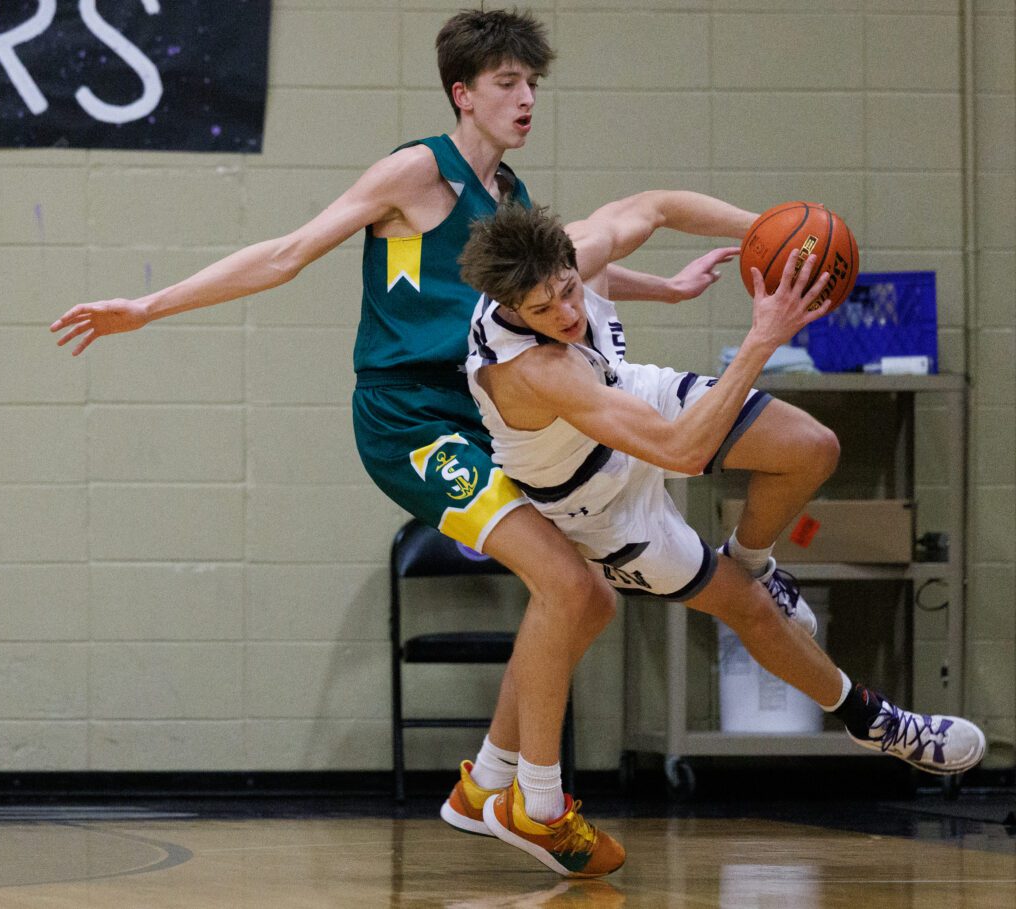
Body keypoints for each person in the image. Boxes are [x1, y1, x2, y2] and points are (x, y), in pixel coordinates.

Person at [48, 8, 756, 876]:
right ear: (463, 94)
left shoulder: (511, 201)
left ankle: (480, 787)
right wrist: (150, 306)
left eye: (532, 83)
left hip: (480, 416)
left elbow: (561, 276)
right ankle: (535, 802)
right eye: (506, 84)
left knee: (587, 600)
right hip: (408, 422)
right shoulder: (418, 171)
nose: (526, 98)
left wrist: (665, 291)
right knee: (565, 582)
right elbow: (289, 251)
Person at [458, 198, 986, 878]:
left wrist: (764, 232)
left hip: (630, 403)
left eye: (568, 291)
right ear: (510, 311)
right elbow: (681, 451)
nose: (566, 313)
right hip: (601, 508)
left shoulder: (571, 256)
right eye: (543, 312)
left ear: (570, 260)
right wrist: (763, 336)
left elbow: (655, 206)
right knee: (750, 612)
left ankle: (753, 556)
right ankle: (877, 722)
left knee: (811, 446)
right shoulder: (533, 369)